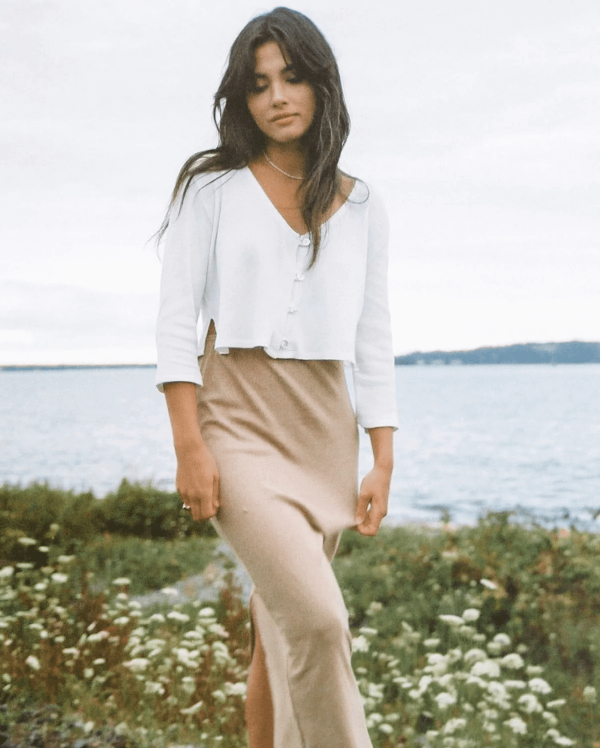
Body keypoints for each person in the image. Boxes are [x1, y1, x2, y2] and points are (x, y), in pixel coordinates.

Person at [155, 7, 398, 747]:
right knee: (321, 624)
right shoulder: (211, 188)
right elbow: (174, 324)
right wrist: (189, 446)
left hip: (325, 428)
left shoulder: (362, 204)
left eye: (293, 77)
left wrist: (383, 455)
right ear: (242, 98)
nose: (278, 96)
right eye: (258, 84)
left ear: (322, 84)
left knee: (280, 630)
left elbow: (373, 336)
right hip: (235, 415)